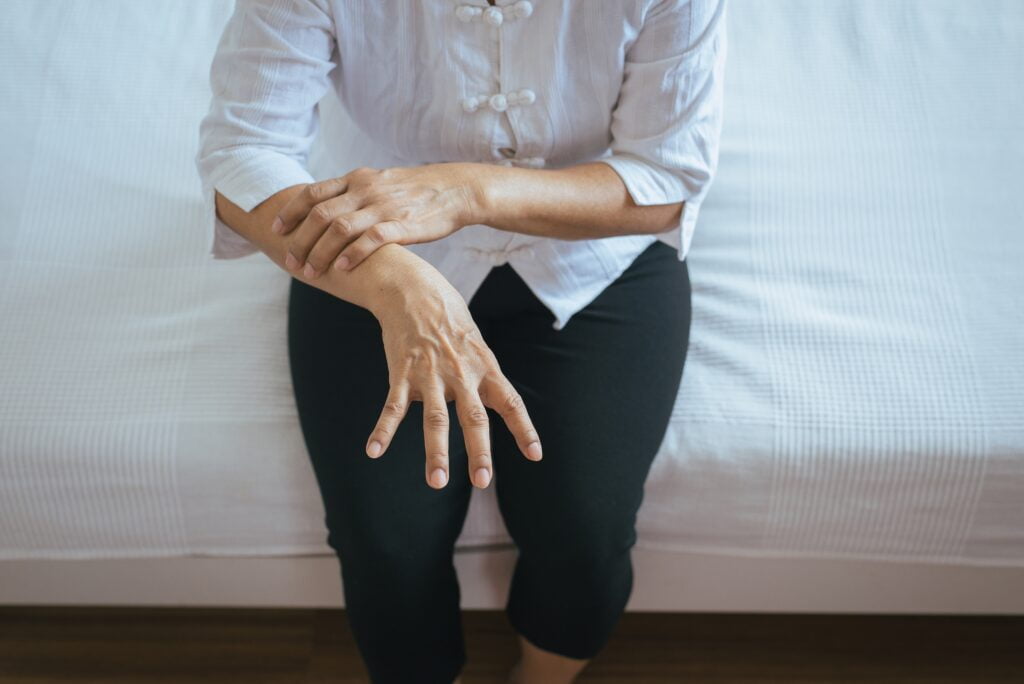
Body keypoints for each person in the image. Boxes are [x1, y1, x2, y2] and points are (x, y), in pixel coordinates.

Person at [196, 0, 726, 681]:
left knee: (585, 535)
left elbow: (669, 176)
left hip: (594, 252)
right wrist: (396, 286)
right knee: (384, 542)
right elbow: (241, 153)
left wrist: (466, 190)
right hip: (371, 251)